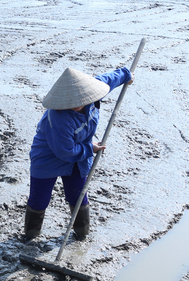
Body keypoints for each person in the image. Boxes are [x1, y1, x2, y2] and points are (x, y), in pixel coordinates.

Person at [24, 66, 133, 241]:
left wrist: (126, 75)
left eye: (78, 100)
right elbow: (65, 151)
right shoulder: (59, 117)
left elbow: (109, 79)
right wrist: (91, 148)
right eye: (70, 102)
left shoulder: (91, 91)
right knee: (39, 199)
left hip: (77, 157)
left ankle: (82, 234)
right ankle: (30, 237)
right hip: (48, 157)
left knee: (78, 194)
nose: (74, 104)